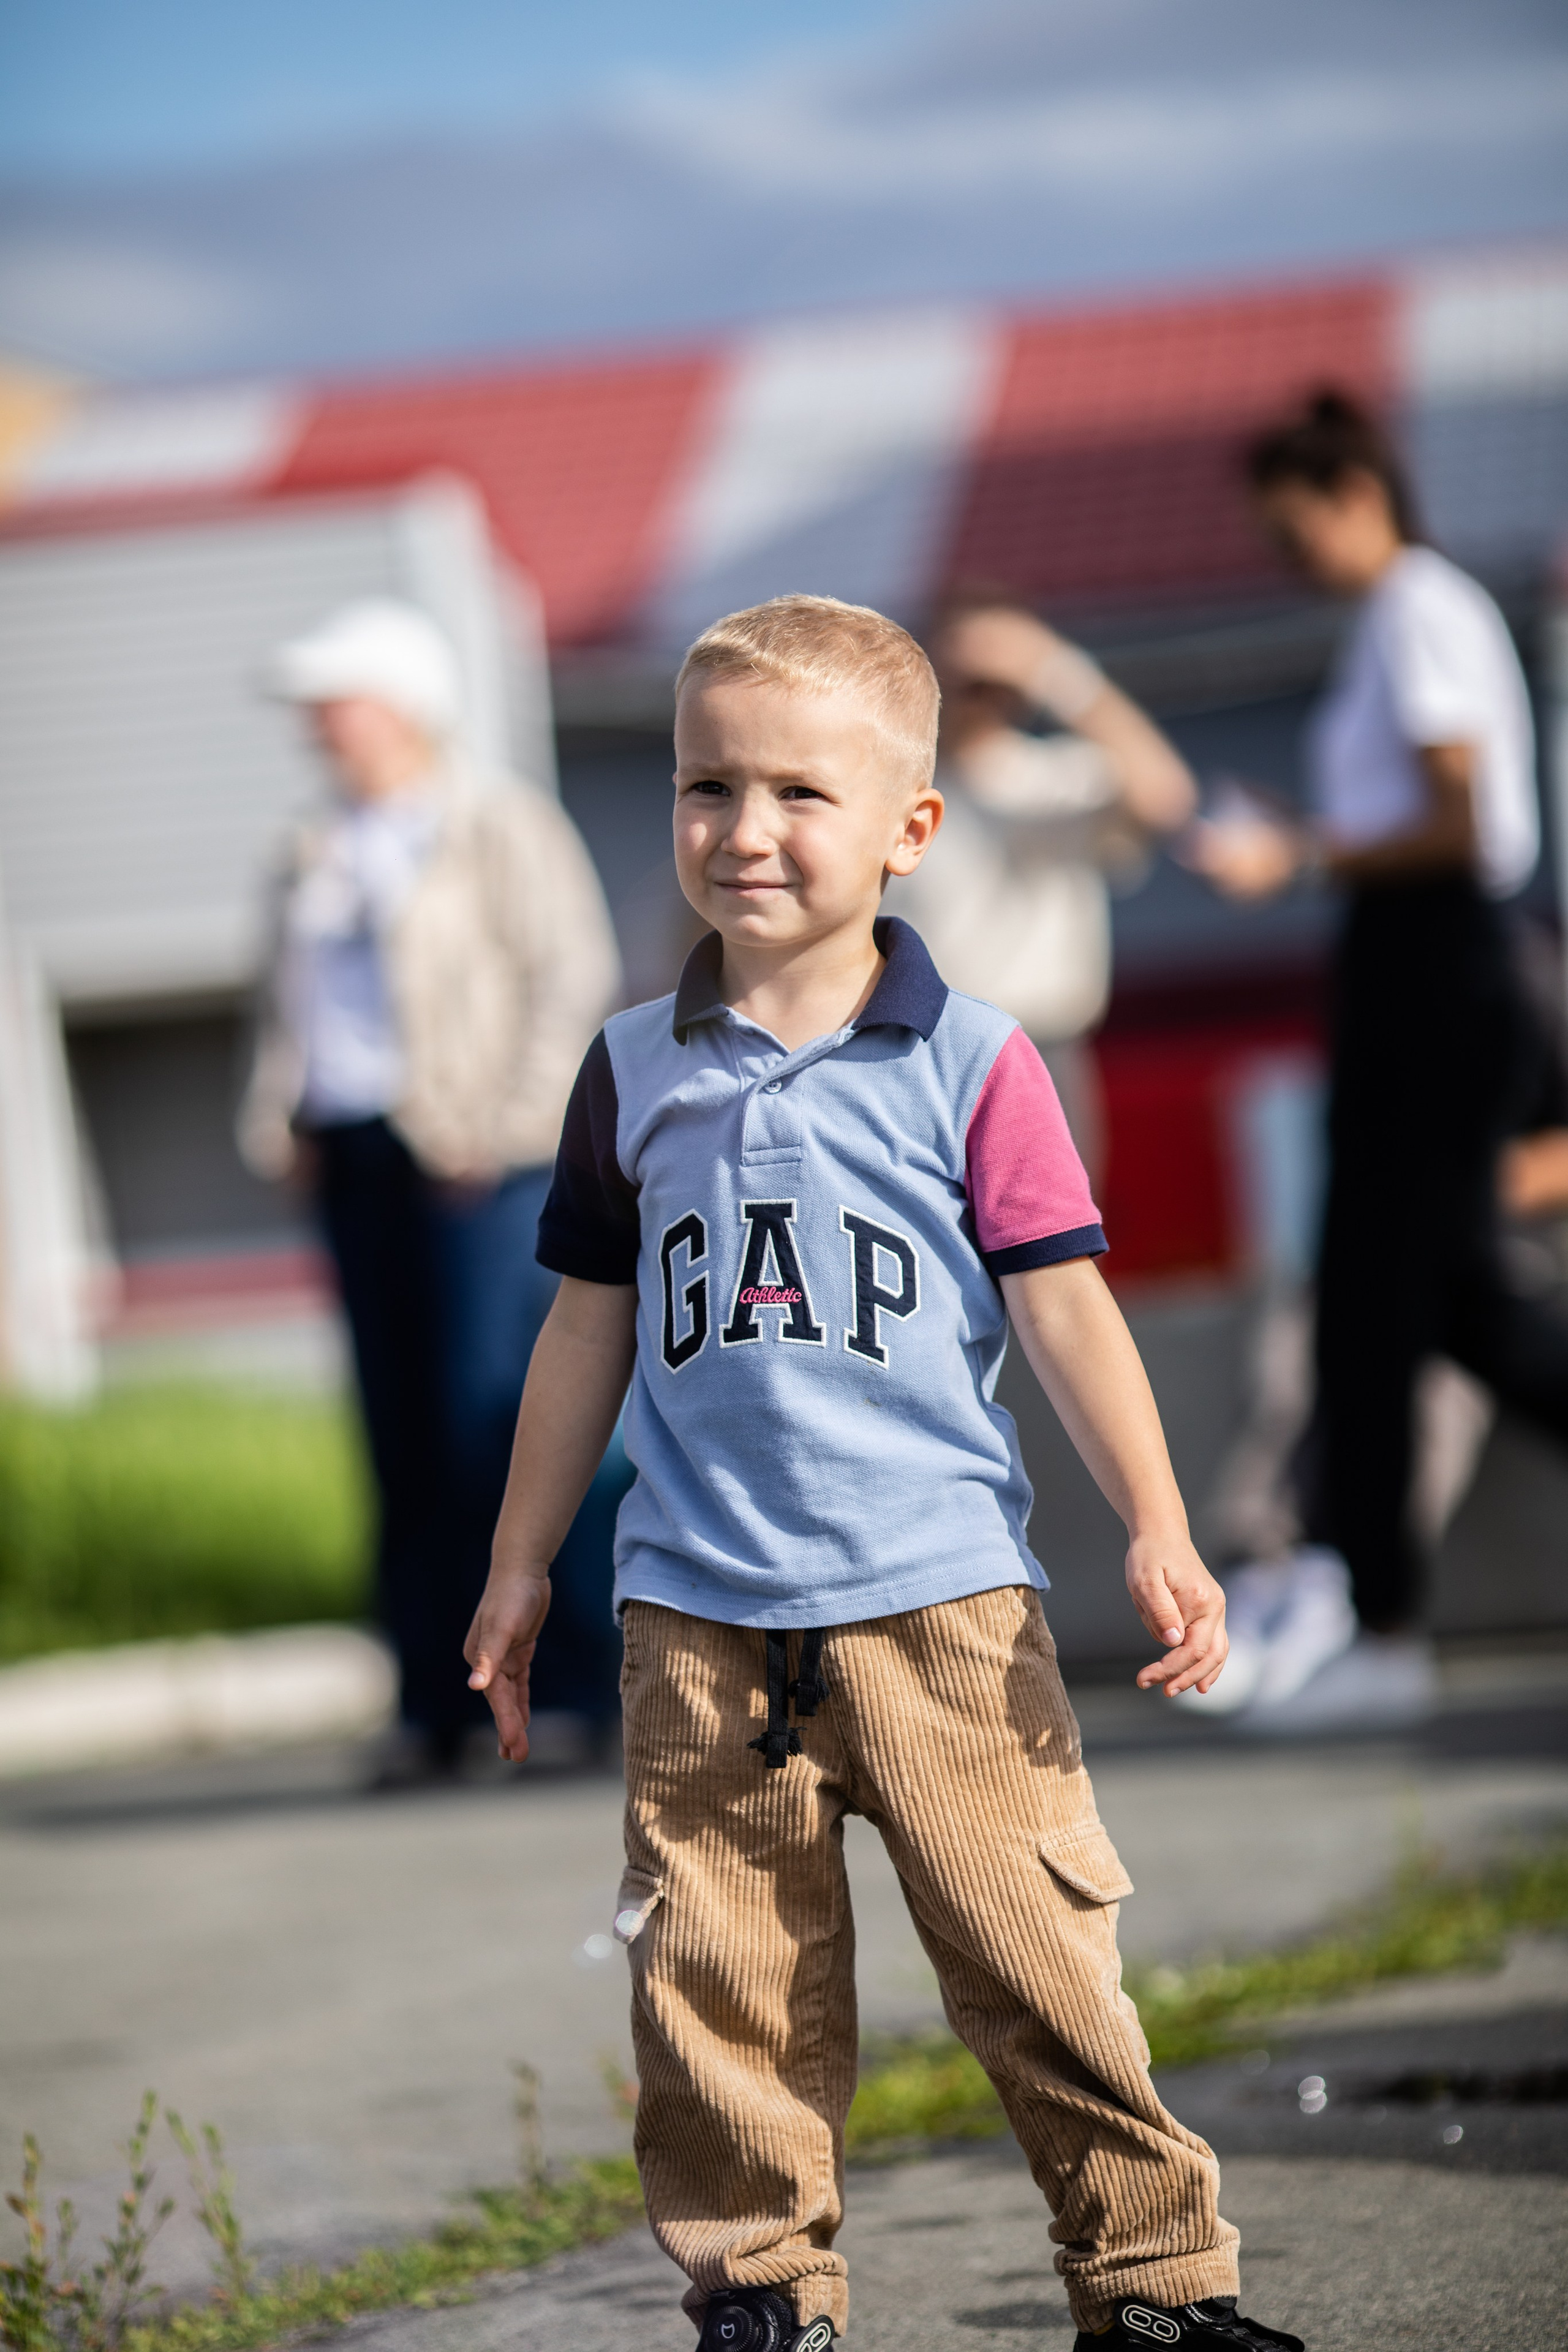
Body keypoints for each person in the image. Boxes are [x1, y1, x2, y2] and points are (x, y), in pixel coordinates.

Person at [465, 596, 1304, 2351]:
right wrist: (525, 1558)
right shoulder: (628, 1074)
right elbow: (578, 1336)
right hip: (697, 1622)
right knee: (721, 1994)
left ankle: (1152, 2283)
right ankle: (763, 2290)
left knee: (1039, 1962)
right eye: (706, 785)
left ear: (913, 830)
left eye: (798, 793)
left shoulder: (976, 1060)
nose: (743, 830)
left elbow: (1066, 1315)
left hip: (942, 1605)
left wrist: (1159, 1526)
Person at [1186, 391, 1568, 1732]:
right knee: (1455, 1301)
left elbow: (1456, 822)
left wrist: (1293, 851)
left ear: (1357, 499)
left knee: (1370, 1303)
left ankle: (1382, 1626)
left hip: (1440, 974)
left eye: (1294, 540)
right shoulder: (1401, 622)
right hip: (1415, 965)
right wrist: (1316, 835)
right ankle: (1380, 1620)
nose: (1289, 569)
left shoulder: (1415, 609)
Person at [240, 598, 624, 1784]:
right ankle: (430, 1701)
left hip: (476, 1163)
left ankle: (562, 1688)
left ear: (401, 706)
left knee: (496, 1421)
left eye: (334, 702)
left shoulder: (496, 824)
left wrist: (507, 1125)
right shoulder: (312, 844)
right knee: (396, 1430)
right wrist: (282, 1115)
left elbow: (571, 979)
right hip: (355, 1155)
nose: (316, 726)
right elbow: (283, 1003)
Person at [883, 593, 1197, 1169]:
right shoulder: (888, 789)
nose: (976, 690)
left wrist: (1054, 668)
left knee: (1049, 1247)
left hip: (1039, 1048)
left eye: (989, 676)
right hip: (913, 1051)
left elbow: (1167, 799)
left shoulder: (1062, 775)